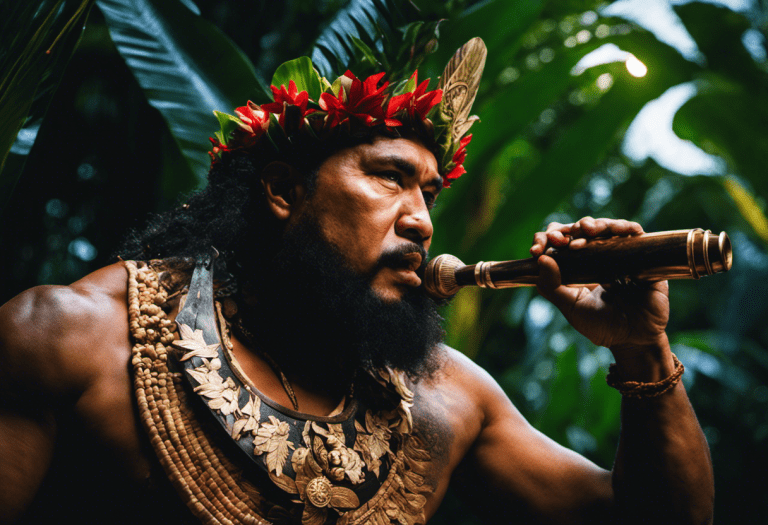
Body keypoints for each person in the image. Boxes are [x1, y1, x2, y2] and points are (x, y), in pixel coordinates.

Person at [0, 39, 714, 525]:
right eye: (390, 177)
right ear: (285, 191)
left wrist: (640, 346)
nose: (422, 221)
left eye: (430, 192)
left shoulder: (446, 398)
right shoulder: (74, 337)